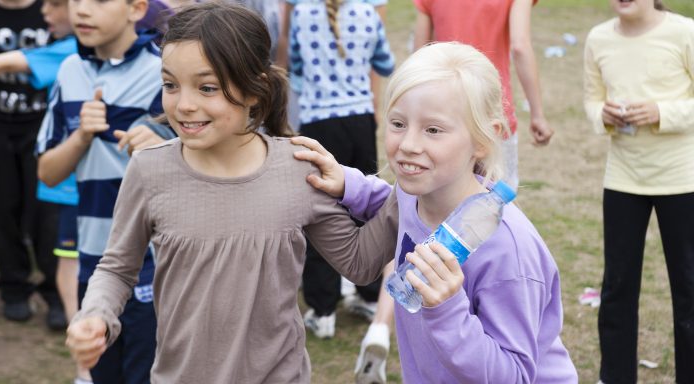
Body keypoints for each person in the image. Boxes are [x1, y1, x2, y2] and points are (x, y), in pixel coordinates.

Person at [64, 3, 399, 383]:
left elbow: (360, 263)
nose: (184, 104)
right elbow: (116, 268)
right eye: (170, 84)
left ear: (255, 90)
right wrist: (95, 315)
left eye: (207, 87)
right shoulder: (148, 169)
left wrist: (411, 196)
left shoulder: (298, 168)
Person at [292, 41, 577, 383]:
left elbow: (515, 376)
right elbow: (391, 203)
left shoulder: (508, 253)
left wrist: (447, 310)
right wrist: (347, 183)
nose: (409, 144)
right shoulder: (417, 194)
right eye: (398, 123)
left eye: (433, 130)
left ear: (486, 139)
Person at [36, 0, 178, 381]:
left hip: (157, 260)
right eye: (76, 1)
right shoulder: (70, 70)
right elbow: (47, 172)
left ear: (136, 9)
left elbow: (211, 162)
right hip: (95, 258)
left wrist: (164, 145)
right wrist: (81, 135)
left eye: (98, 0)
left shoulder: (166, 69)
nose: (82, 11)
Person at [583, 1, 694, 382]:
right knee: (616, 286)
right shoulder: (598, 38)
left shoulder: (684, 32)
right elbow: (591, 100)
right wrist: (603, 115)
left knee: (689, 286)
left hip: (683, 180)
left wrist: (661, 112)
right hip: (623, 179)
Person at [287, 0, 395, 340]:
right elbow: (386, 63)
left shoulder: (302, 11)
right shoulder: (366, 12)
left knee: (320, 214)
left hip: (320, 124)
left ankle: (323, 308)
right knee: (368, 209)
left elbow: (296, 66)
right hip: (360, 121)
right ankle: (368, 294)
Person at [0, 0, 65, 324]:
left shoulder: (51, 8)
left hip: (42, 126)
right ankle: (13, 287)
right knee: (2, 208)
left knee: (47, 212)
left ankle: (55, 291)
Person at [413, 0, 552, 190]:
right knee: (496, 200)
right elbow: (520, 47)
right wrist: (537, 114)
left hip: (444, 112)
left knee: (441, 197)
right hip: (493, 112)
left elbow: (420, 54)